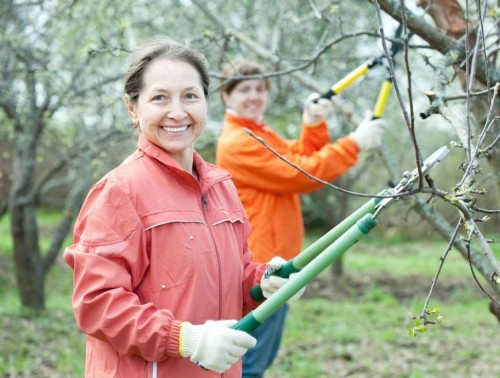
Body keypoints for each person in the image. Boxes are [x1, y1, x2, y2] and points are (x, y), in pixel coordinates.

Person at [64, 37, 300, 378]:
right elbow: (96, 304)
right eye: (160, 98)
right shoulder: (119, 192)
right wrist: (185, 339)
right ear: (133, 108)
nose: (178, 112)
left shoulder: (221, 187)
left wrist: (263, 281)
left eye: (190, 96)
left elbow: (230, 278)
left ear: (206, 102)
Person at [216, 59, 387, 378]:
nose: (254, 96)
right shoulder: (238, 142)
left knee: (255, 361)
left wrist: (313, 123)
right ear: (227, 97)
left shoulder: (257, 133)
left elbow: (299, 157)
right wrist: (355, 144)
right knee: (249, 365)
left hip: (276, 264)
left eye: (260, 89)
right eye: (244, 90)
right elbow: (302, 173)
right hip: (261, 267)